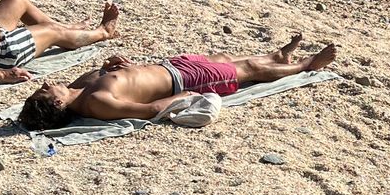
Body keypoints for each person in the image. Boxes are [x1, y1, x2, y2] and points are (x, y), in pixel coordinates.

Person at [18, 37, 337, 128]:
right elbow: (149, 110)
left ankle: (276, 56)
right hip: (182, 80)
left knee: (225, 58)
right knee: (248, 71)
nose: (45, 84)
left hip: (169, 66)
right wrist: (185, 95)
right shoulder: (95, 104)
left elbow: (113, 77)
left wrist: (110, 66)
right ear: (57, 103)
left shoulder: (77, 87)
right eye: (44, 91)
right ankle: (306, 65)